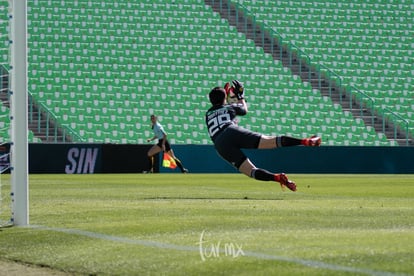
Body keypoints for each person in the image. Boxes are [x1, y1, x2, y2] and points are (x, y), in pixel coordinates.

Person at [205, 80, 321, 191]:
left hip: (220, 144)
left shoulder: (208, 114)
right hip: (231, 131)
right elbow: (243, 110)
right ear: (223, 98)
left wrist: (226, 98)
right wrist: (240, 96)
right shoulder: (229, 107)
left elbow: (222, 110)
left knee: (251, 171)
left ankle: (276, 178)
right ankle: (304, 141)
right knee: (269, 141)